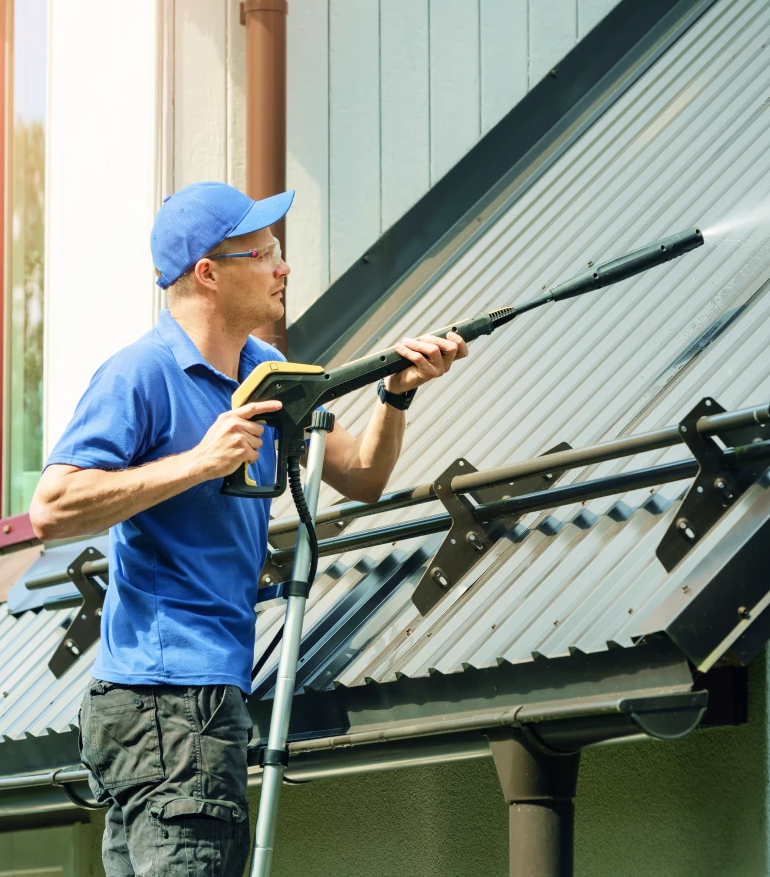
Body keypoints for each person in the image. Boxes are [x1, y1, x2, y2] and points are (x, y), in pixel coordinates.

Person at [30, 182, 467, 877]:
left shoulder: (267, 372)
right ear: (209, 272)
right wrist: (199, 462)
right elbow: (52, 508)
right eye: (265, 253)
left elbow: (361, 475)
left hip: (187, 701)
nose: (283, 268)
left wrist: (396, 392)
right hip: (168, 702)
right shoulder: (140, 374)